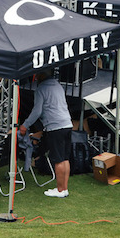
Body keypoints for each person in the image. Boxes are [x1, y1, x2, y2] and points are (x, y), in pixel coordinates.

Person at [19, 70, 73, 198]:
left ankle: (60, 190)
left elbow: (37, 111)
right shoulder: (58, 85)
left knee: (58, 159)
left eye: (37, 75)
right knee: (65, 158)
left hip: (56, 127)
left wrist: (25, 125)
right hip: (67, 124)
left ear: (41, 76)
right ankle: (64, 188)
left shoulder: (41, 89)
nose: (36, 78)